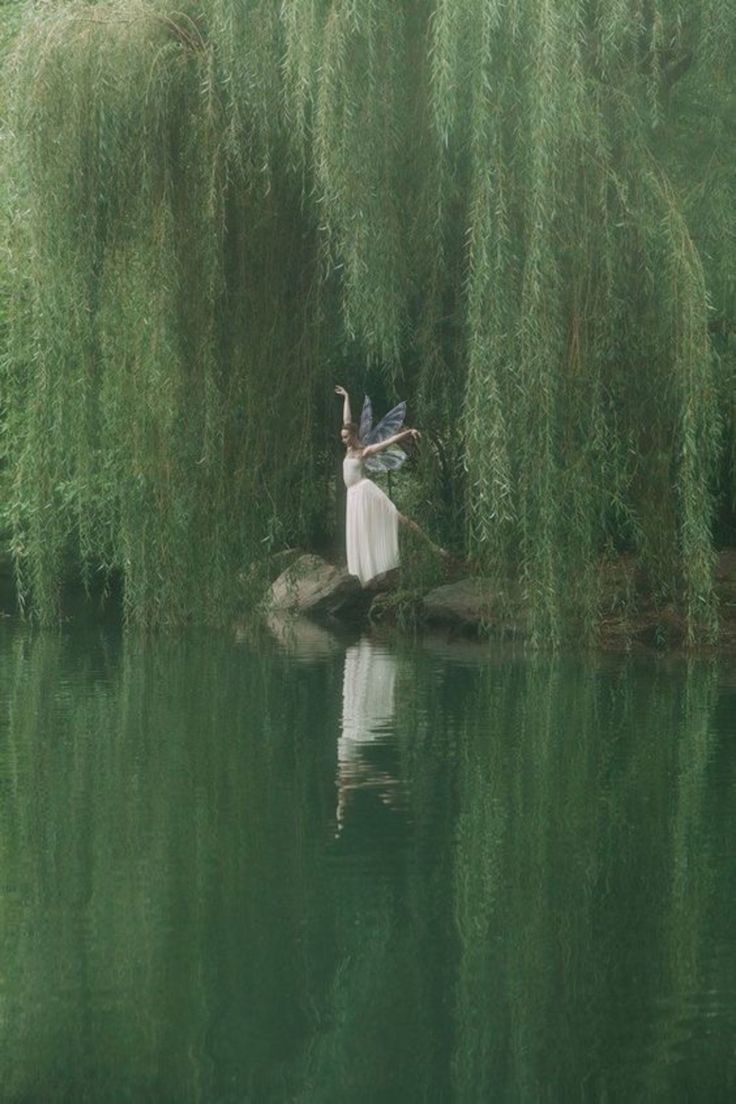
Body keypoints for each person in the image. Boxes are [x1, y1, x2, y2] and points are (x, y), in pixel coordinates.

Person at [335, 384, 443, 586]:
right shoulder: (348, 448)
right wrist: (347, 397)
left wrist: (408, 432)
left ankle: (432, 545)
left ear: (354, 436)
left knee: (398, 516)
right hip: (353, 496)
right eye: (342, 437)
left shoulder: (363, 451)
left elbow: (387, 441)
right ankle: (371, 570)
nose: (343, 440)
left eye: (346, 437)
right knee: (363, 530)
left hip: (365, 491)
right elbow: (347, 420)